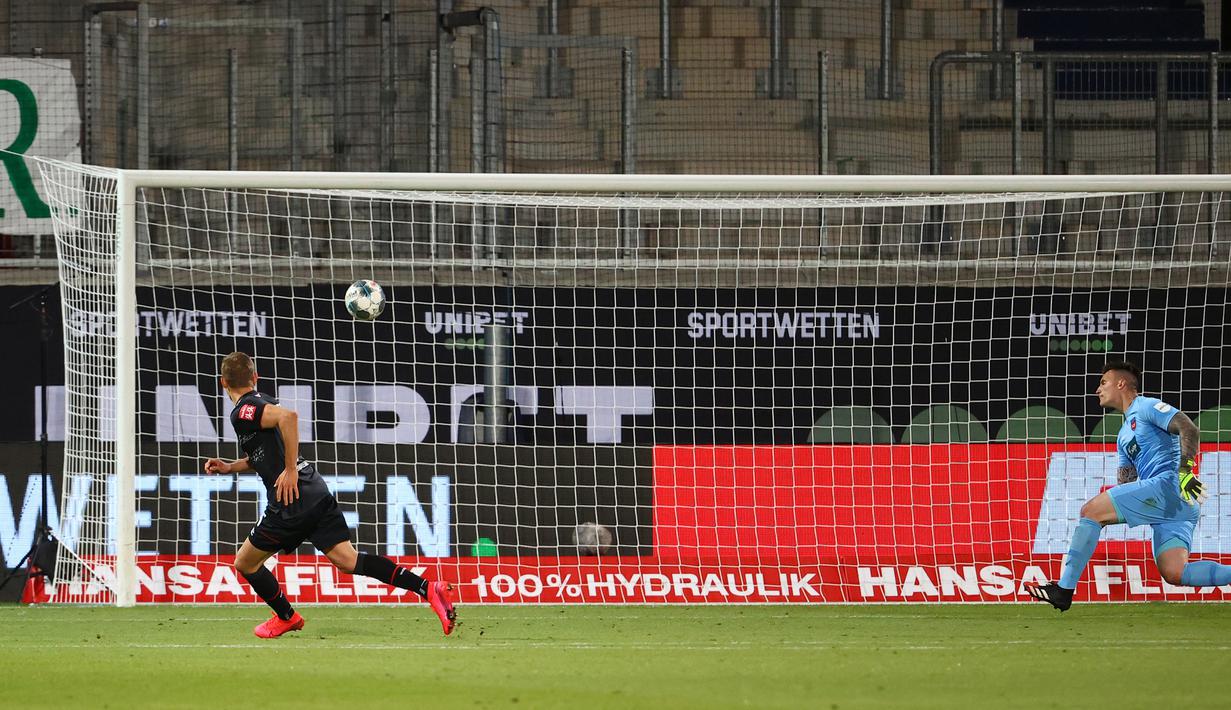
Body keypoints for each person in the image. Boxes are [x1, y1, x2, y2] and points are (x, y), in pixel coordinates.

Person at [204, 351, 458, 638]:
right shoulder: (260, 402)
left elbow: (289, 417)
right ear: (255, 377)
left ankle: (286, 616)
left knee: (245, 562)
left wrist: (289, 470)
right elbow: (262, 455)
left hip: (291, 502)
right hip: (315, 491)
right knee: (348, 560)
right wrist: (230, 467)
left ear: (223, 382)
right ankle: (427, 588)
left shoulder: (244, 410)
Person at [1027, 360, 1228, 611]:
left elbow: (1189, 428)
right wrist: (1115, 508)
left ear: (1121, 383)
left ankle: (1064, 590)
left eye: (1103, 383)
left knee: (1090, 512)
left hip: (1170, 485)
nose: (1097, 390)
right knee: (1174, 572)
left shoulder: (1146, 406)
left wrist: (1185, 470)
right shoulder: (1123, 436)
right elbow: (1126, 483)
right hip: (1176, 506)